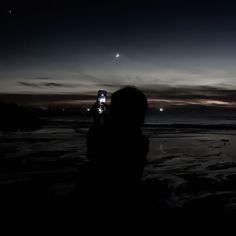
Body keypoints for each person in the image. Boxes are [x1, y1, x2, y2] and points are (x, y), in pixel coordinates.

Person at [85, 86, 149, 208]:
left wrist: (98, 122)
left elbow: (93, 154)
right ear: (141, 113)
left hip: (99, 196)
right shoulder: (140, 141)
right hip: (126, 198)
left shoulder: (102, 134)